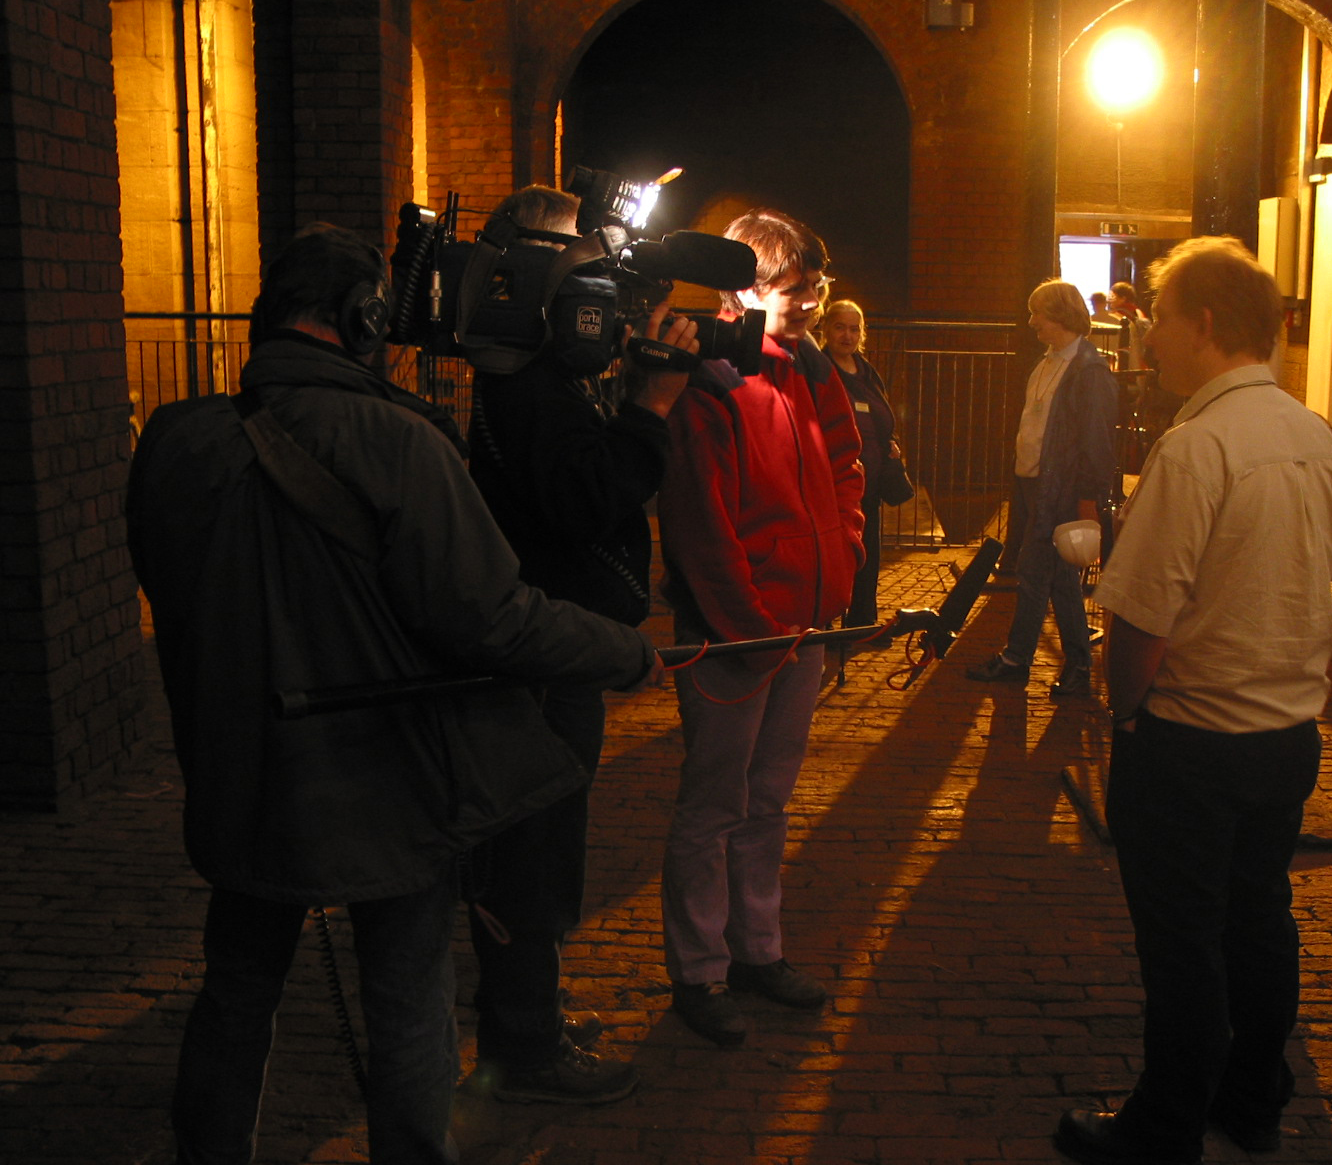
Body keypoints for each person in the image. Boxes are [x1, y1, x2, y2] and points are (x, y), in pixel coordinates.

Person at [126, 223, 659, 1163]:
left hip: (243, 770)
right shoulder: (402, 441)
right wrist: (620, 652)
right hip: (388, 780)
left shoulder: (175, 439)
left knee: (237, 989)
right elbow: (490, 617)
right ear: (363, 317)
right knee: (408, 999)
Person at [1053, 236, 1332, 1165]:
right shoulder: (1315, 434)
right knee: (1258, 921)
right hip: (1285, 732)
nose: (1147, 338)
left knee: (1184, 942)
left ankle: (1165, 1125)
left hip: (1192, 735)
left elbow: (1143, 618)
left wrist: (1126, 713)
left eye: (1158, 316)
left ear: (1207, 322)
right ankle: (1253, 1098)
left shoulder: (1198, 447)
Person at [464, 185, 699, 1103]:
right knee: (533, 857)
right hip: (544, 657)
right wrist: (649, 409)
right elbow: (587, 501)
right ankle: (526, 1044)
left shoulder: (526, 380)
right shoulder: (534, 392)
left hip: (547, 647)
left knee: (542, 850)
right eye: (587, 286)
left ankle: (533, 1015)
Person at [656, 208, 865, 1047]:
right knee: (715, 802)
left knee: (766, 799)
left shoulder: (809, 368)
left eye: (815, 284)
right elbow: (701, 518)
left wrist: (840, 560)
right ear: (747, 286)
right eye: (795, 285)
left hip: (797, 623)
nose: (810, 300)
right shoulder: (711, 377)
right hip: (742, 635)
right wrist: (751, 622)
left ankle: (756, 950)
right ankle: (701, 971)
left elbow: (849, 464)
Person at [966, 281, 1118, 700]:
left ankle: (1035, 661)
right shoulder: (1051, 363)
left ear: (1061, 316)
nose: (1032, 322)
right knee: (1055, 578)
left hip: (1060, 490)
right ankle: (1060, 663)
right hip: (1038, 484)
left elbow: (1097, 441)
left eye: (1039, 314)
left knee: (1041, 574)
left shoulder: (1088, 371)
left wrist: (1087, 499)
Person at [818, 298, 903, 627]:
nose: (847, 335)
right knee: (834, 553)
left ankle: (862, 622)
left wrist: (891, 443)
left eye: (854, 329)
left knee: (869, 553)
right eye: (840, 327)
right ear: (826, 329)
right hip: (834, 480)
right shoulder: (820, 369)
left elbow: (882, 416)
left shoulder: (867, 372)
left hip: (870, 481)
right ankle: (824, 622)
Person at [1110, 280, 1152, 370]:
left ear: (1123, 298)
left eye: (1113, 296)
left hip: (1124, 359)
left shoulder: (1118, 315)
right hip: (1140, 358)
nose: (1110, 300)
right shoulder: (1138, 312)